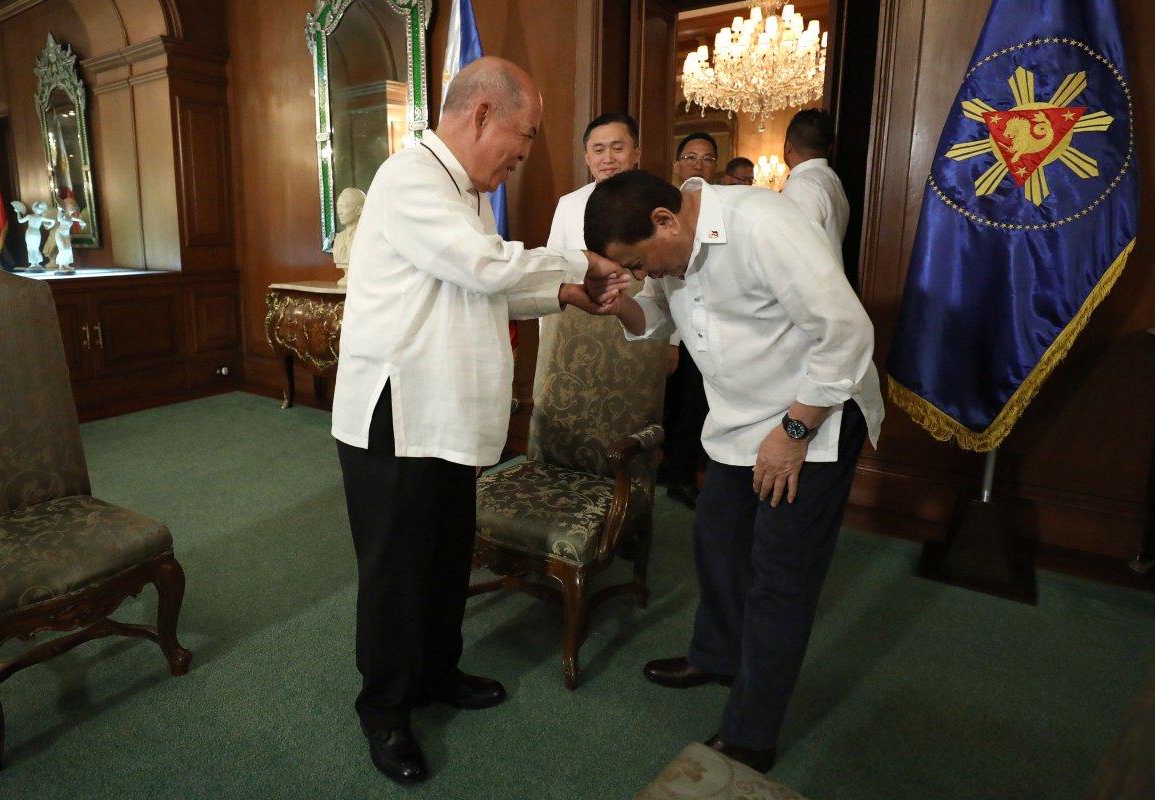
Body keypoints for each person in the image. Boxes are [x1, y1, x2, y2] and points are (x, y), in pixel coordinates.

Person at [329, 56, 629, 786]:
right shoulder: (411, 178)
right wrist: (578, 264)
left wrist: (561, 293)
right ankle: (385, 709)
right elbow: (484, 266)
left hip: (443, 412)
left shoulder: (464, 192)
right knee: (397, 572)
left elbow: (481, 288)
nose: (525, 154)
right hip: (397, 413)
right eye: (525, 135)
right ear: (482, 114)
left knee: (442, 557)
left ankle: (437, 672)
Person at [583, 169, 884, 773]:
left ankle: (752, 734)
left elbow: (848, 333)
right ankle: (717, 656)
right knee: (717, 537)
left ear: (665, 220)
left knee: (780, 576)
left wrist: (794, 432)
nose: (641, 276)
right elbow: (656, 321)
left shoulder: (764, 225)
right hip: (739, 418)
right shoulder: (672, 247)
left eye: (639, 264)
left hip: (812, 413)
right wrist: (619, 307)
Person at [660, 132, 719, 509]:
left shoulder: (722, 210)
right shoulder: (664, 210)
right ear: (677, 164)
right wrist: (671, 342)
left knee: (695, 407)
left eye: (707, 158)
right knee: (670, 406)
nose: (698, 164)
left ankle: (681, 475)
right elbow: (664, 283)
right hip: (673, 330)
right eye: (691, 157)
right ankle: (665, 471)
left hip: (709, 334)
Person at [546, 112, 642, 250]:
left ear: (637, 154)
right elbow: (554, 259)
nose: (608, 159)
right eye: (599, 150)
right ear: (587, 158)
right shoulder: (568, 205)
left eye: (617, 149)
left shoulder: (659, 200)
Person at [780, 109, 849, 261]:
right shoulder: (832, 179)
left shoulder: (802, 185)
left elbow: (797, 251)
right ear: (829, 148)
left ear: (788, 147)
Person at [330, 186, 366, 287]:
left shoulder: (366, 238)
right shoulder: (338, 238)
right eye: (338, 207)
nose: (339, 211)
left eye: (344, 207)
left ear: (359, 210)